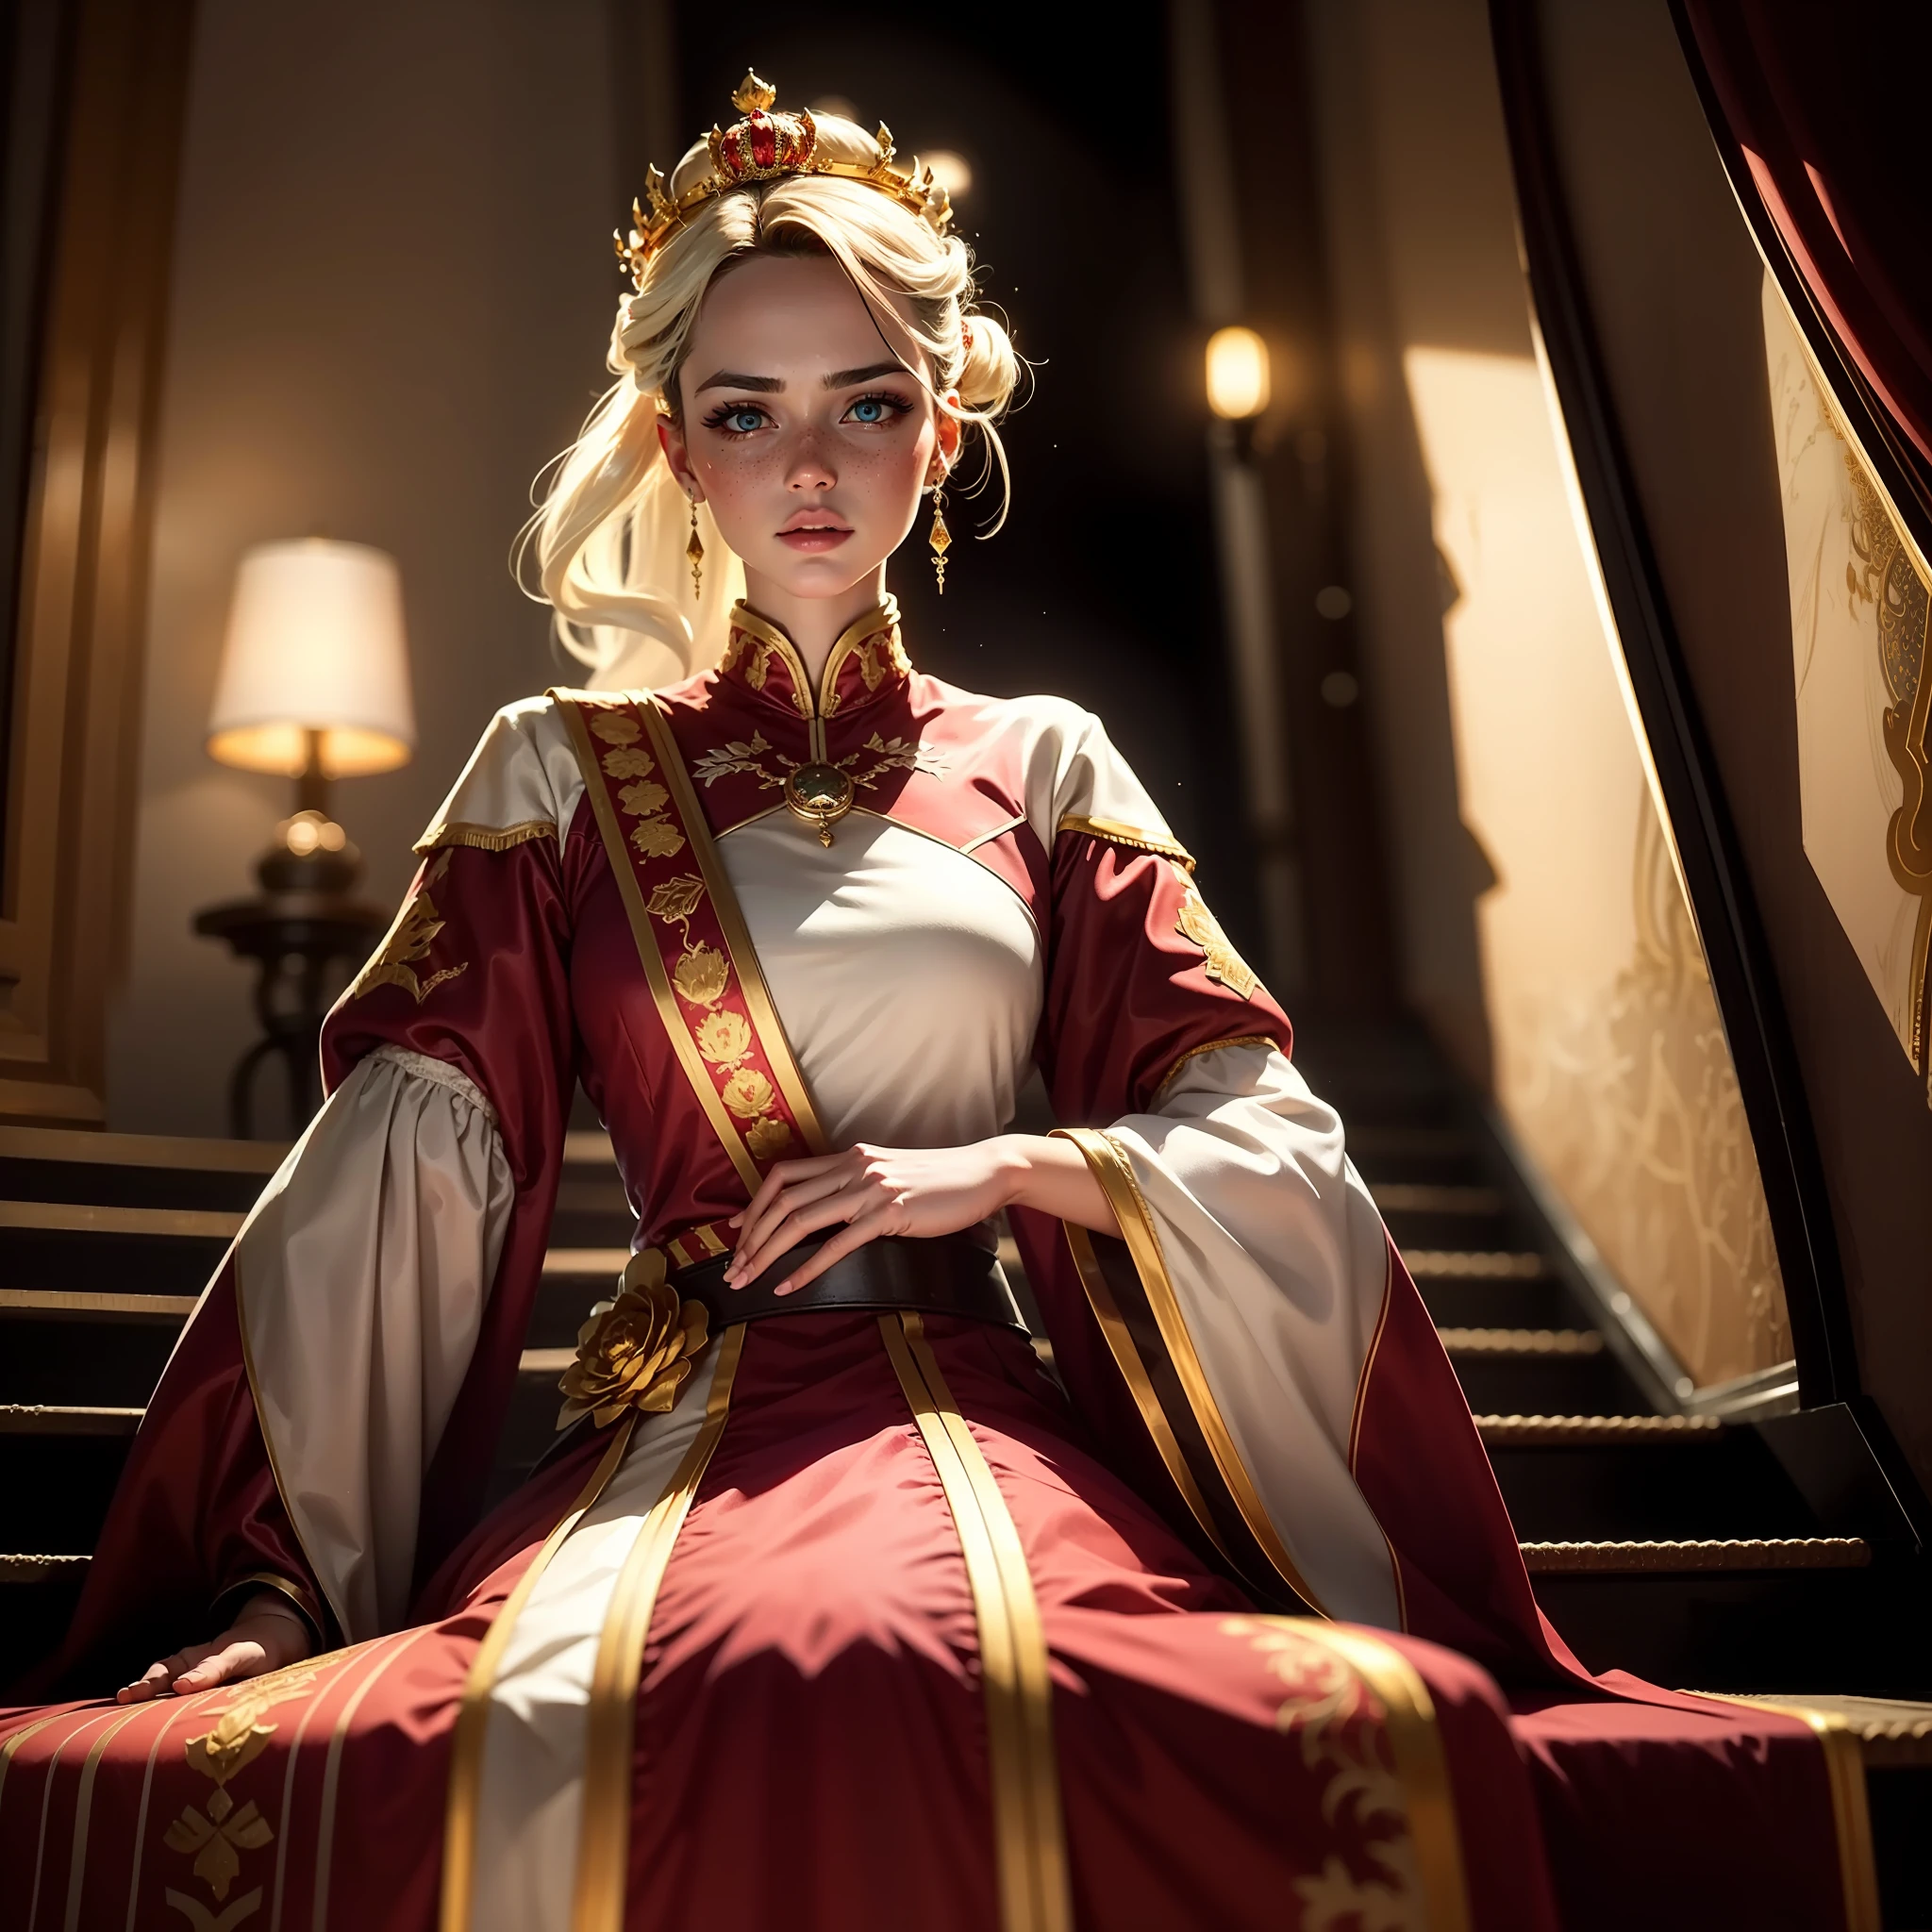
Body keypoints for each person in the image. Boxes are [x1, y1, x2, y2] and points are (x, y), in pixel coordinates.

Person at [1, 73, 1864, 1932]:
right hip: (682, 1430)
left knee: (1263, 1715)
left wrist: (986, 1174)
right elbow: (387, 1186)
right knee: (627, 1701)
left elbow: (1257, 1140)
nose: (807, 470)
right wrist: (274, 1581)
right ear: (677, 449)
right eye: (747, 414)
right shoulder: (554, 770)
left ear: (941, 420)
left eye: (864, 405)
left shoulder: (1044, 763)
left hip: (984, 1412)